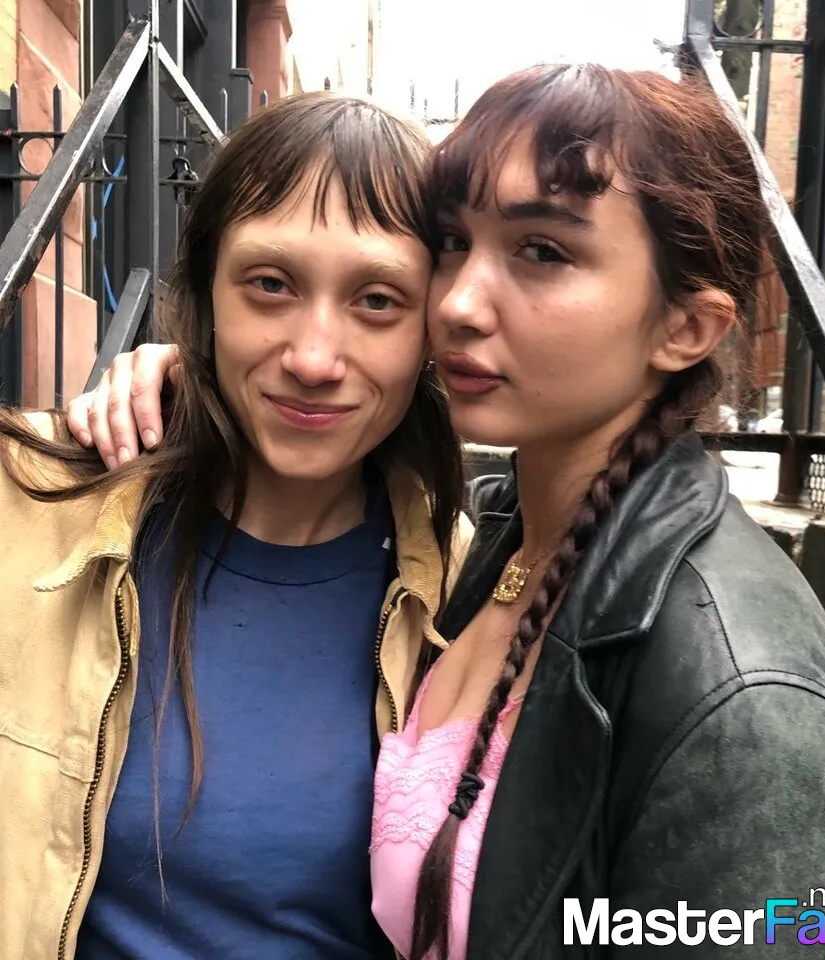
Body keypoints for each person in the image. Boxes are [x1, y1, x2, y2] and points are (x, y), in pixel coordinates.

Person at [78, 63, 825, 960]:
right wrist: (199, 383)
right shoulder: (491, 545)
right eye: (453, 242)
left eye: (543, 252)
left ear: (685, 327)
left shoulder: (750, 690)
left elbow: (817, 925)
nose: (455, 303)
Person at [0, 92, 473, 960]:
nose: (313, 358)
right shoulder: (30, 505)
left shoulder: (469, 590)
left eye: (377, 300)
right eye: (270, 285)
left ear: (432, 332)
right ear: (207, 294)